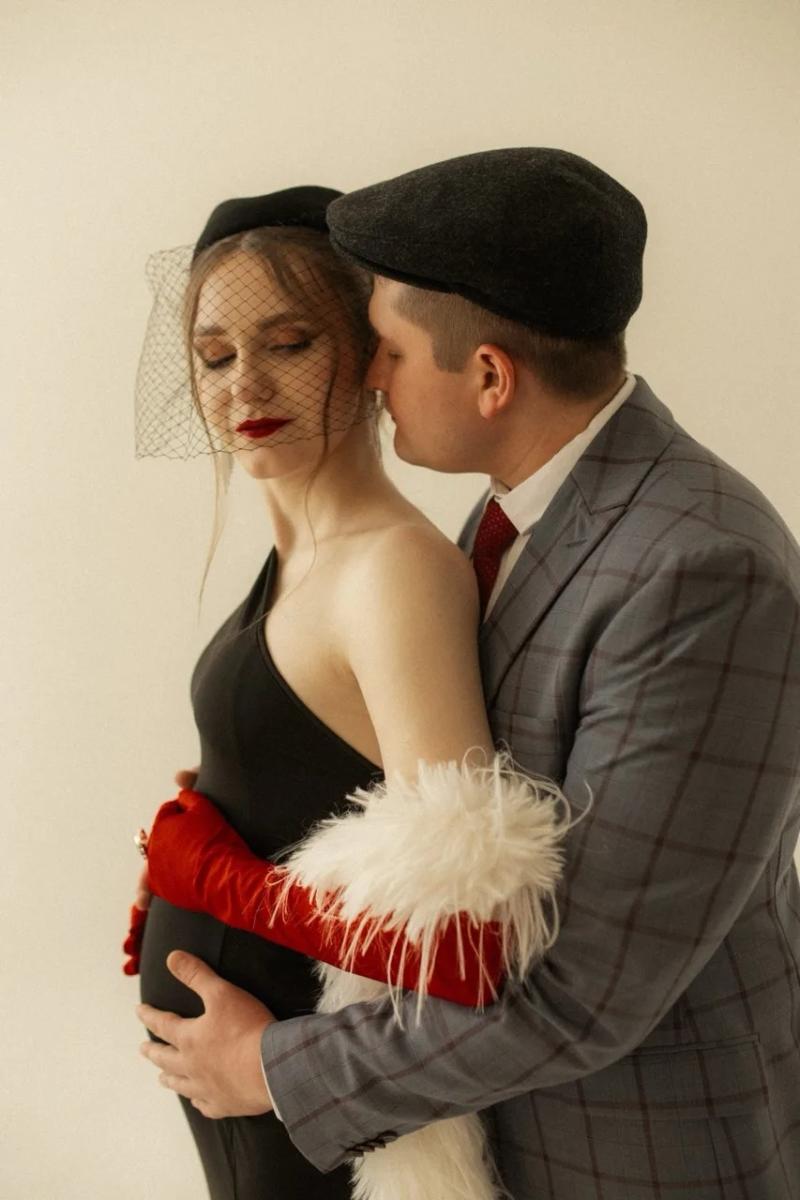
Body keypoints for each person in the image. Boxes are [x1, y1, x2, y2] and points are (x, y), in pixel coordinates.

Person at [136, 149, 800, 1199]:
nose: (371, 376)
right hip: (500, 1124)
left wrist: (272, 1065)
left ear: (490, 376)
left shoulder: (701, 568)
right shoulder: (518, 514)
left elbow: (585, 992)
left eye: (389, 350)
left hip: (632, 1156)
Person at [129, 184, 568, 1200]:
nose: (246, 383)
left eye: (289, 343)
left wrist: (213, 878)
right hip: (252, 1099)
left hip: (314, 1110)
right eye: (214, 356)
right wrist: (204, 833)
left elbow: (464, 940)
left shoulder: (392, 570)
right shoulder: (302, 555)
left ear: (370, 355)